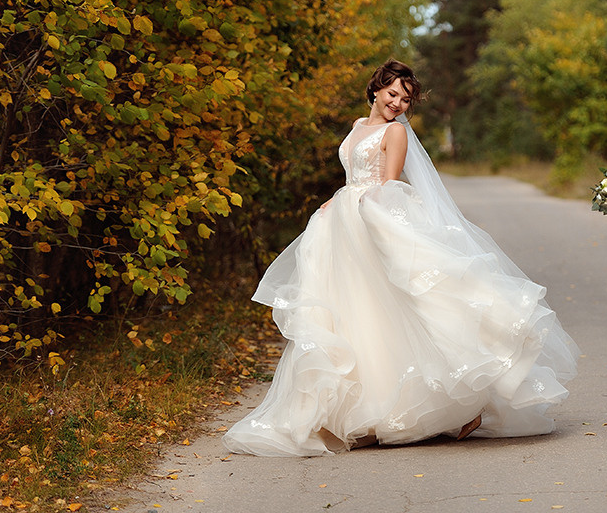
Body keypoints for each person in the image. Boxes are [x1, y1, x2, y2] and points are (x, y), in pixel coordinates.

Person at [223, 59, 579, 456]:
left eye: (405, 100)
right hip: (343, 223)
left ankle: (462, 406)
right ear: (376, 89)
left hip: (372, 218)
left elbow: (387, 184)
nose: (398, 104)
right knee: (359, 313)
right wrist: (335, 202)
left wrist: (364, 211)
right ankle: (364, 412)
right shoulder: (358, 125)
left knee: (406, 306)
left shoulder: (395, 132)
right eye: (393, 94)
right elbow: (353, 177)